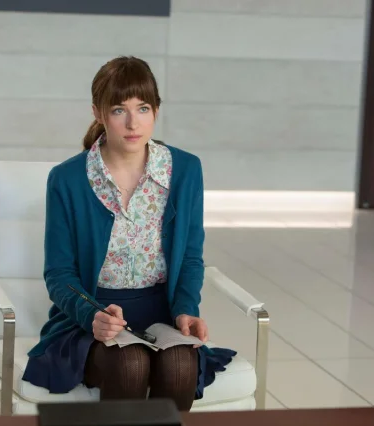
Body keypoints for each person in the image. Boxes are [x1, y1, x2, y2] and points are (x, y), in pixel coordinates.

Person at [22, 56, 235, 411]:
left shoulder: (185, 170)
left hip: (164, 317)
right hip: (93, 318)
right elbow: (59, 274)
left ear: (156, 111)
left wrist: (185, 310)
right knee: (130, 362)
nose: (133, 123)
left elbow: (190, 257)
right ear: (98, 113)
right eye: (119, 110)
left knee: (180, 364)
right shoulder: (67, 179)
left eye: (143, 108)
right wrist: (91, 315)